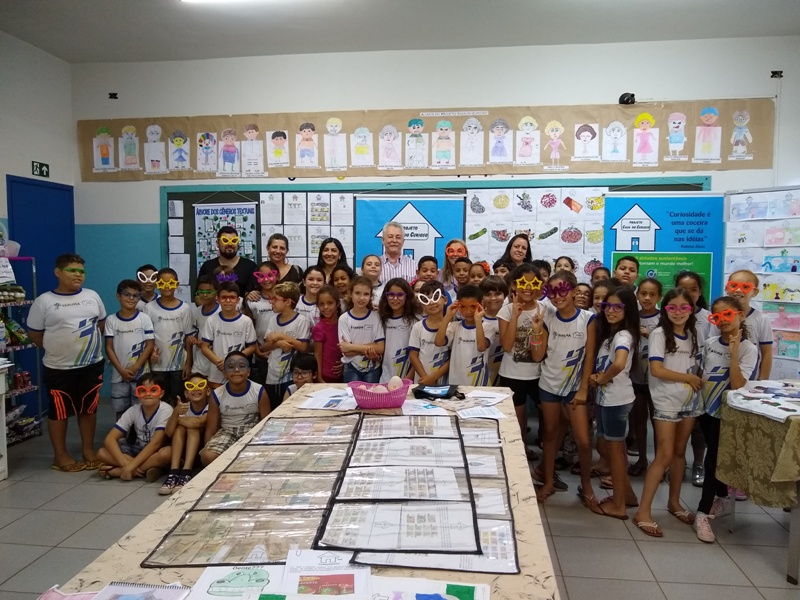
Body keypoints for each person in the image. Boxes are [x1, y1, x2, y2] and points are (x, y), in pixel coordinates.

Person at [27, 253, 107, 472]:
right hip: (59, 368)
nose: (78, 275)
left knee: (88, 409)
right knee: (59, 412)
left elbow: (100, 324)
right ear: (58, 272)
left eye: (81, 271)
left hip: (91, 365)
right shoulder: (45, 301)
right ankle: (60, 456)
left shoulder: (92, 296)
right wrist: (58, 348)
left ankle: (88, 451)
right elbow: (35, 334)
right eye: (72, 270)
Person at [633, 288, 703, 537]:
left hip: (690, 401)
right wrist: (689, 378)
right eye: (672, 307)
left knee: (678, 454)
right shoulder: (659, 334)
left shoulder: (694, 332)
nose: (678, 312)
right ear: (665, 308)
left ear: (692, 309)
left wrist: (693, 381)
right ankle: (643, 511)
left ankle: (674, 503)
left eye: (684, 307)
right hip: (666, 402)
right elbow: (657, 370)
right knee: (663, 456)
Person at [693, 297, 758, 543]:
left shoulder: (748, 349)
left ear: (740, 315)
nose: (722, 321)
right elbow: (702, 373)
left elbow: (739, 384)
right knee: (715, 456)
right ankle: (720, 497)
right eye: (717, 317)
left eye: (727, 315)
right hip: (706, 410)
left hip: (727, 414)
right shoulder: (709, 343)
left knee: (712, 461)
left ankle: (701, 513)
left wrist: (733, 353)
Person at [531, 271, 596, 504]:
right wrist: (537, 330)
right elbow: (538, 356)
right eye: (551, 292)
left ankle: (587, 485)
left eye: (562, 290)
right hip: (549, 384)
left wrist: (583, 389)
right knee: (549, 434)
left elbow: (590, 356)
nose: (557, 297)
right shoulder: (547, 318)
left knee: (584, 439)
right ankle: (548, 481)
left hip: (574, 387)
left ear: (573, 290)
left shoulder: (588, 319)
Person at [589, 285, 640, 519]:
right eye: (607, 305)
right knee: (611, 450)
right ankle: (626, 495)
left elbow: (619, 363)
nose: (610, 310)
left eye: (617, 307)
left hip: (615, 400)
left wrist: (601, 379)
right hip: (610, 399)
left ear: (627, 309)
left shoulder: (622, 335)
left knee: (616, 453)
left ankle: (618, 504)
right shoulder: (613, 333)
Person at [498, 264, 547, 446]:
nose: (527, 288)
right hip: (512, 375)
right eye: (523, 283)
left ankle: (546, 445)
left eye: (533, 283)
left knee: (548, 415)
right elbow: (507, 346)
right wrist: (515, 316)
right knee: (518, 420)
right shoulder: (506, 310)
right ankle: (522, 450)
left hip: (539, 375)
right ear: (514, 285)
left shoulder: (545, 309)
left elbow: (541, 350)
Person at [96, 373, 172, 481]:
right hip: (137, 449)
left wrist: (129, 467)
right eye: (143, 390)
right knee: (101, 453)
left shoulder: (166, 410)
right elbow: (109, 439)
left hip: (156, 450)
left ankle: (117, 471)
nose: (148, 394)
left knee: (167, 453)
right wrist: (126, 464)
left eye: (153, 390)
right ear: (137, 394)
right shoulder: (133, 410)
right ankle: (145, 469)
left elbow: (156, 443)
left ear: (161, 393)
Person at [200, 351, 270, 466]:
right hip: (227, 432)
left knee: (260, 458)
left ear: (248, 372)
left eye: (241, 366)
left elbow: (266, 424)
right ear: (225, 373)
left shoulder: (259, 391)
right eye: (231, 367)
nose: (236, 370)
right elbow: (211, 429)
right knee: (208, 456)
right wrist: (207, 449)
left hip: (252, 430)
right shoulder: (217, 394)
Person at [675, 271, 711, 487]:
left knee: (698, 426)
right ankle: (675, 463)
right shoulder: (671, 314)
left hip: (701, 381)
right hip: (675, 380)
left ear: (700, 292)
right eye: (683, 288)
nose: (688, 294)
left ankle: (698, 463)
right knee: (674, 426)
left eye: (693, 289)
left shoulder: (709, 318)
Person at [105, 279, 155, 419]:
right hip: (118, 375)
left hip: (141, 374)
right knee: (121, 410)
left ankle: (137, 438)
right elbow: (108, 348)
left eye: (136, 295)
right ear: (118, 296)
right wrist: (121, 370)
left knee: (141, 408)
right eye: (127, 294)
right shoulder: (111, 320)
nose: (131, 298)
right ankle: (121, 437)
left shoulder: (144, 318)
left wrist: (136, 367)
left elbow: (149, 345)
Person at [628, 277, 662, 477]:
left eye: (652, 294)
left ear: (658, 296)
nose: (647, 298)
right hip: (636, 376)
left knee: (658, 421)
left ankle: (660, 462)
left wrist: (651, 335)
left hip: (657, 379)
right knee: (639, 419)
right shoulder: (632, 316)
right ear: (637, 295)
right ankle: (642, 458)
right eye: (643, 294)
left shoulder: (664, 318)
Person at [144, 267, 194, 403]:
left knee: (179, 399)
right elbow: (146, 338)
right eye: (162, 283)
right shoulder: (149, 308)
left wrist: (188, 363)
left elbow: (188, 339)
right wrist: (149, 354)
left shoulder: (184, 308)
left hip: (178, 366)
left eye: (171, 283)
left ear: (177, 284)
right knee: (160, 399)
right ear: (157, 284)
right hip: (157, 365)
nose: (167, 286)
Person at [435, 284, 497, 386]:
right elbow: (438, 342)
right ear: (458, 306)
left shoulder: (488, 327)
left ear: (481, 304)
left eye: (473, 306)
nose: (468, 311)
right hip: (455, 383)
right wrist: (447, 316)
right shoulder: (455, 326)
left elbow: (481, 347)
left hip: (479, 384)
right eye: (463, 307)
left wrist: (478, 320)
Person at [159, 372, 210, 494]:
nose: (196, 389)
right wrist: (175, 413)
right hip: (182, 449)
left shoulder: (210, 406)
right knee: (179, 428)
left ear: (208, 391)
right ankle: (174, 471)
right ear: (186, 393)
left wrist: (179, 420)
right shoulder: (183, 407)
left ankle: (187, 471)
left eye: (200, 385)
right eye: (191, 386)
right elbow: (169, 432)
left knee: (191, 427)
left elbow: (198, 423)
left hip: (202, 450)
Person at [263, 282, 312, 408]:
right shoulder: (273, 320)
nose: (271, 302)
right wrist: (278, 343)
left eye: (275, 299)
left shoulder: (301, 321)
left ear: (288, 302)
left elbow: (303, 347)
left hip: (292, 376)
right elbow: (265, 347)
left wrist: (281, 336)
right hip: (272, 374)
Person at [200, 281, 257, 386]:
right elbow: (204, 347)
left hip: (238, 370)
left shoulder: (246, 321)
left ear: (238, 300)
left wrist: (231, 361)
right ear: (218, 299)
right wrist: (219, 363)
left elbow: (252, 347)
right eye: (224, 297)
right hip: (216, 371)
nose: (228, 301)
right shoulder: (212, 320)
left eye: (232, 297)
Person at [726, 270, 772, 379]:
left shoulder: (762, 319)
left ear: (754, 292)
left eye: (745, 287)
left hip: (749, 378)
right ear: (727, 289)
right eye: (733, 285)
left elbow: (766, 353)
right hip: (721, 374)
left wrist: (762, 382)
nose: (738, 290)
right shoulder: (719, 317)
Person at [339, 276, 385, 382]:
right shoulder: (344, 319)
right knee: (352, 398)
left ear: (370, 296)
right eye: (358, 293)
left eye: (366, 294)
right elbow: (346, 352)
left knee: (372, 396)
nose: (362, 298)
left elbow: (380, 348)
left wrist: (351, 346)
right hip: (351, 368)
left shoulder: (376, 317)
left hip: (373, 368)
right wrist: (370, 348)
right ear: (351, 294)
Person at [409, 281, 451, 385]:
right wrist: (425, 378)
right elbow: (413, 356)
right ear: (422, 304)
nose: (431, 302)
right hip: (422, 381)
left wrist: (433, 378)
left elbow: (452, 358)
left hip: (443, 382)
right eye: (426, 299)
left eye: (435, 297)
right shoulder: (417, 327)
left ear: (445, 300)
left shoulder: (452, 327)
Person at [197, 226, 257, 297]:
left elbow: (256, 293)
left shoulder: (250, 266)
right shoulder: (207, 267)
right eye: (225, 241)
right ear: (217, 243)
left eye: (234, 241)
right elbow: (198, 296)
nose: (230, 244)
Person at [245, 262, 279, 384]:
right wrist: (257, 351)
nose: (266, 279)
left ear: (277, 276)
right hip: (261, 352)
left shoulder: (285, 299)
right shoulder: (253, 301)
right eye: (261, 276)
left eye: (270, 275)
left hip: (282, 351)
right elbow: (250, 328)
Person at [378, 278, 418, 382]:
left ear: (407, 296)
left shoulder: (415, 321)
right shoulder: (382, 319)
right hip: (385, 377)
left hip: (407, 377)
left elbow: (418, 355)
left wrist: (408, 378)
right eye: (391, 295)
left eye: (400, 295)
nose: (395, 299)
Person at [188, 275, 219, 380]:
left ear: (216, 293)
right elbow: (196, 333)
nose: (205, 295)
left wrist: (208, 344)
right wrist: (194, 340)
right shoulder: (197, 311)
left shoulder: (222, 312)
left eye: (209, 292)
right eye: (201, 292)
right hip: (200, 362)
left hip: (216, 361)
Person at [480, 275, 508, 385]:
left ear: (505, 295)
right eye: (488, 295)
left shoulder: (511, 317)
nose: (493, 298)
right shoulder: (477, 319)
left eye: (497, 294)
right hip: (482, 372)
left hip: (505, 372)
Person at [313, 285, 344, 383]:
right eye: (321, 304)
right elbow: (317, 355)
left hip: (343, 374)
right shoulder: (319, 328)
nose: (325, 307)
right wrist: (319, 378)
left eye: (330, 303)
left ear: (337, 303)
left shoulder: (344, 323)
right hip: (326, 377)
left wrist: (344, 363)